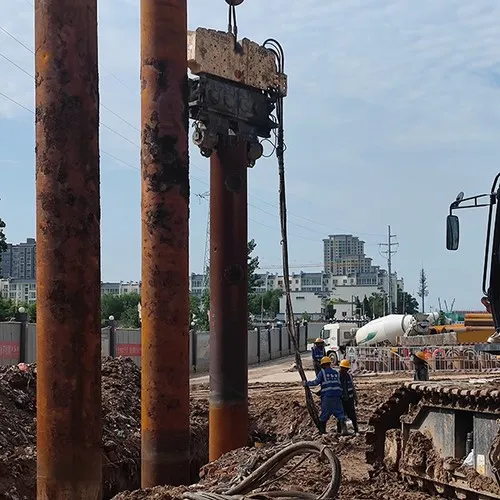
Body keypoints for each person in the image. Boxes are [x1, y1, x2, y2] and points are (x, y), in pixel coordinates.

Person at [303, 356, 348, 435]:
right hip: (337, 396)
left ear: (323, 365)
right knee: (340, 413)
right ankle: (344, 430)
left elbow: (316, 382)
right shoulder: (336, 373)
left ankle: (322, 431)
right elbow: (337, 384)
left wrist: (306, 383)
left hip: (327, 397)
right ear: (330, 364)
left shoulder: (322, 372)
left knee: (325, 414)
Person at [336, 359, 359, 435]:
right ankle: (339, 431)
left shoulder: (349, 376)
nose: (344, 370)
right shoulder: (337, 376)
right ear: (340, 368)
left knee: (352, 416)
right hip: (341, 399)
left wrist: (355, 398)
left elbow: (352, 387)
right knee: (340, 416)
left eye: (346, 369)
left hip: (349, 399)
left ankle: (356, 430)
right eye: (343, 368)